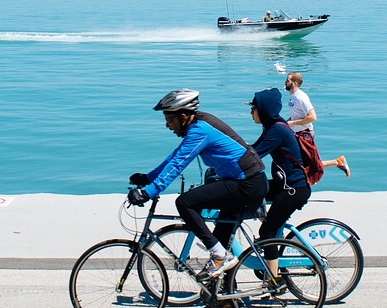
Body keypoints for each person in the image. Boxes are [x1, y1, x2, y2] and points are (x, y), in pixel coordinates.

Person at [128, 89, 267, 278]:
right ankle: (221, 298)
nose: (167, 125)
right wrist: (148, 178)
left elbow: (178, 164)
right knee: (220, 240)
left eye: (169, 119)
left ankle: (220, 256)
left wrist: (149, 192)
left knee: (185, 203)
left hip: (246, 185)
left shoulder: (200, 130)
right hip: (245, 182)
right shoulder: (199, 125)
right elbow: (175, 157)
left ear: (183, 116)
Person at [248, 87, 310, 278]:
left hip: (293, 189)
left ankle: (273, 282)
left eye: (253, 108)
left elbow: (254, 156)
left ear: (263, 110)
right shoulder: (272, 126)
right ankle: (274, 233)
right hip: (285, 184)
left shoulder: (276, 130)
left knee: (267, 232)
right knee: (253, 192)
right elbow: (252, 149)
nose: (251, 112)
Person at [284, 72, 350, 177]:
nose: (285, 82)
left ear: (294, 83)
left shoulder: (301, 97)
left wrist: (293, 123)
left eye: (288, 80)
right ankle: (337, 162)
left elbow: (312, 117)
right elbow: (297, 115)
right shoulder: (293, 97)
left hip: (305, 134)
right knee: (302, 162)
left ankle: (338, 162)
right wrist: (286, 123)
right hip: (297, 133)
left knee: (309, 164)